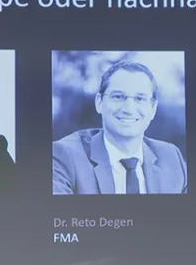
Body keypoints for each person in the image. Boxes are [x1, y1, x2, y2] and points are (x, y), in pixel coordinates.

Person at [51, 61, 188, 194]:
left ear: (153, 109)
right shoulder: (65, 155)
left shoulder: (171, 158)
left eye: (140, 99)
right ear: (99, 102)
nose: (129, 109)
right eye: (118, 97)